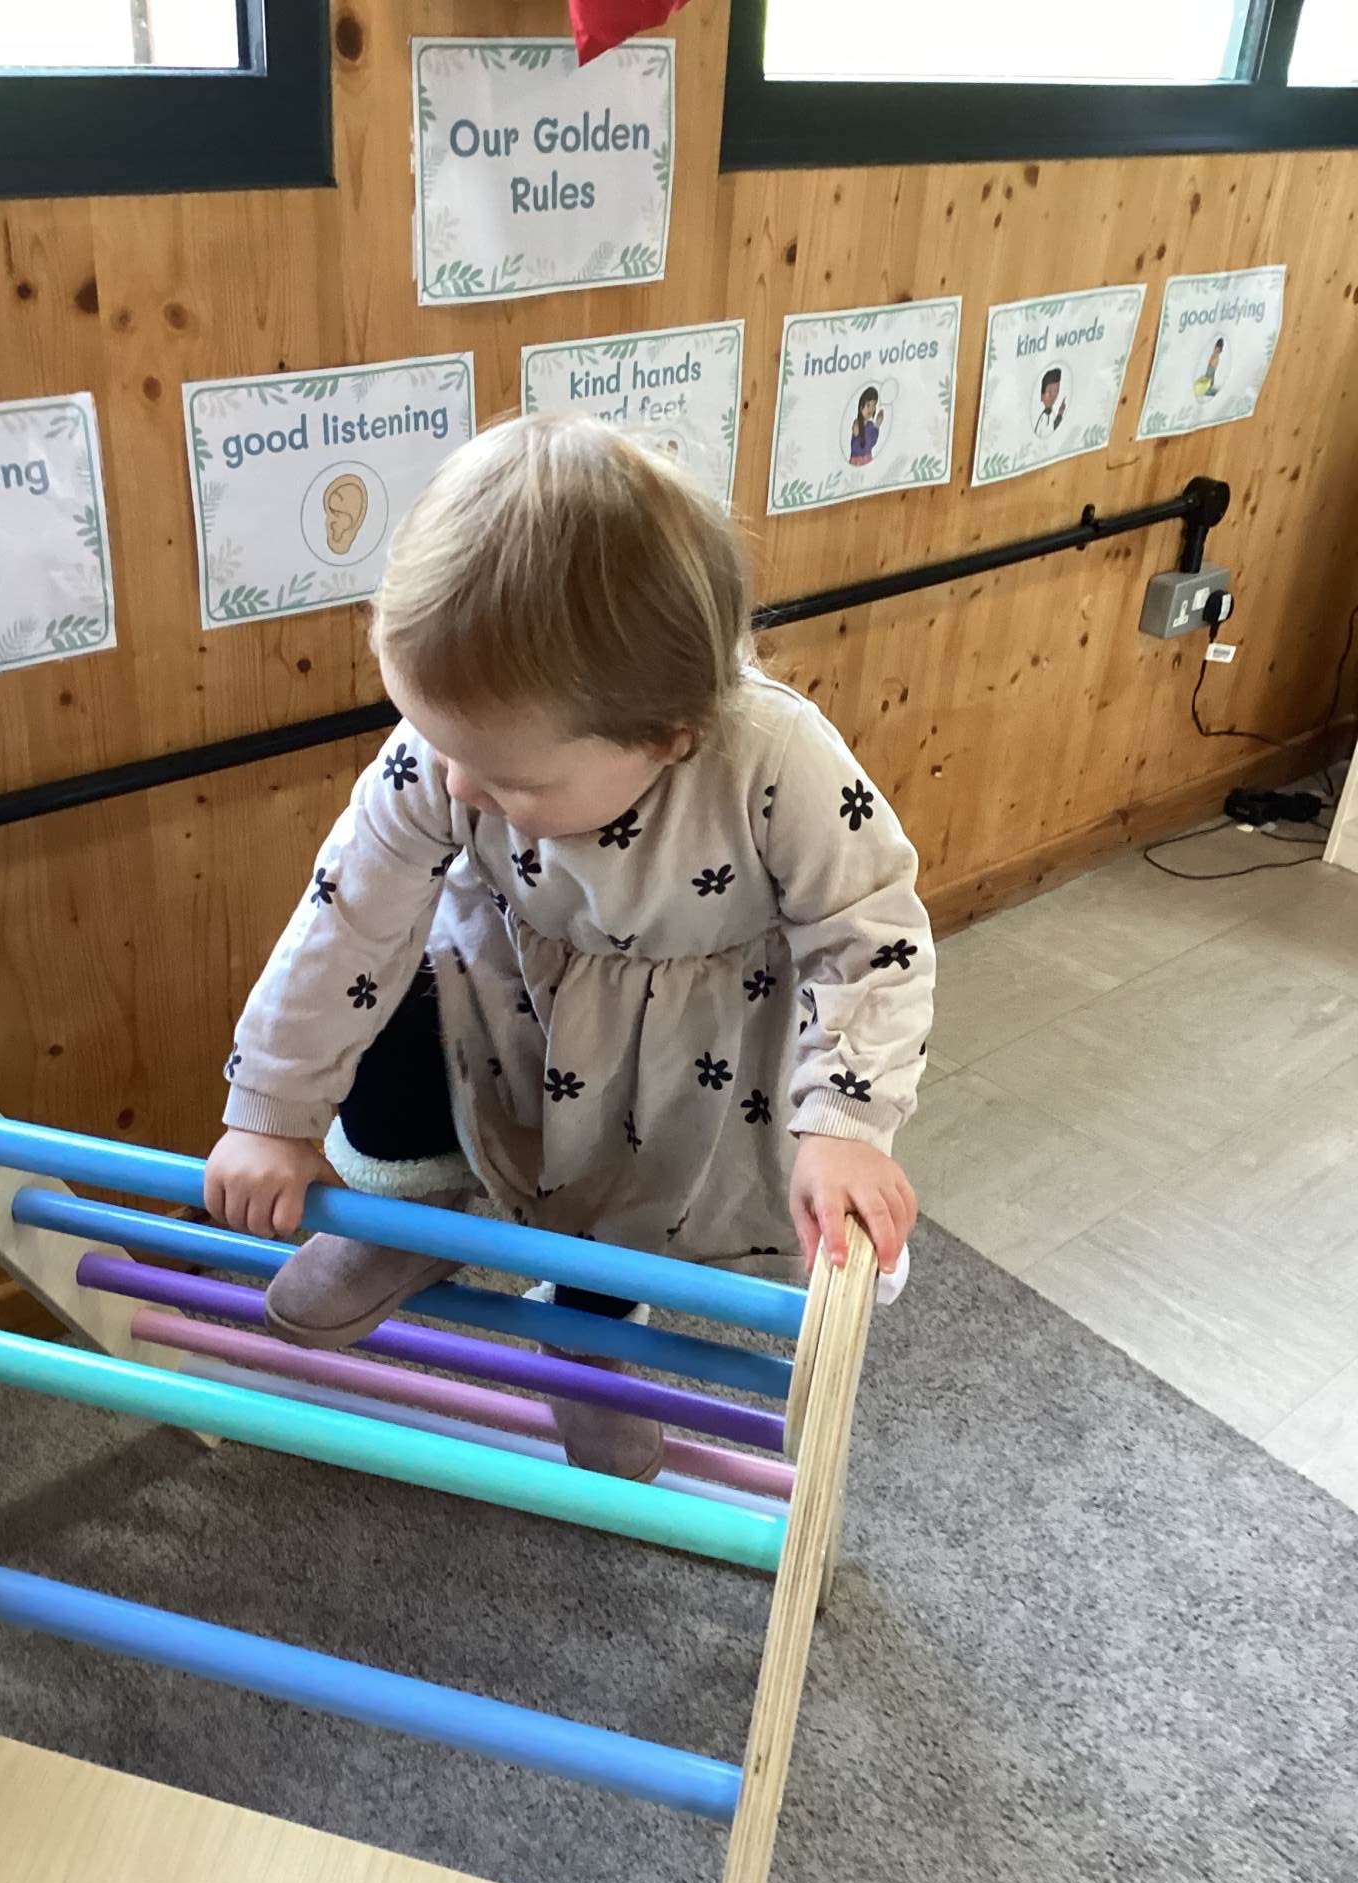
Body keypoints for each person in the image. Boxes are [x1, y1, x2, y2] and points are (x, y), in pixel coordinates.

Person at [206, 414, 933, 1481]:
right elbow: (345, 912)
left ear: (670, 735)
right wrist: (271, 1110)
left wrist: (847, 1125)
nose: (458, 785)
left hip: (678, 1058)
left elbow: (871, 937)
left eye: (510, 779)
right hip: (501, 996)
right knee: (391, 981)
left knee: (626, 1194)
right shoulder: (446, 755)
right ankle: (403, 1213)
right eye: (439, 744)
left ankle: (585, 1341)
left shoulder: (777, 761)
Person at [849, 387, 882, 465]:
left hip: (868, 459)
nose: (871, 409)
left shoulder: (870, 425)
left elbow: (872, 443)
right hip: (856, 460)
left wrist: (877, 425)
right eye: (868, 405)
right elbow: (856, 446)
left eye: (873, 406)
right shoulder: (857, 423)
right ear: (861, 407)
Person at [1033, 368, 1067, 436]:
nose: (1053, 397)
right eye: (1049, 392)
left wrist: (1060, 414)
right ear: (1042, 395)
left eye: (1056, 392)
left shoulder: (1051, 415)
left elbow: (1053, 429)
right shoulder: (1041, 419)